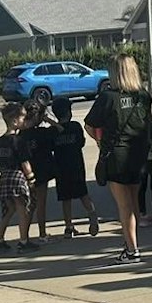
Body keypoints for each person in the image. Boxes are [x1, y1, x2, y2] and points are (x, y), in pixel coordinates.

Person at [85, 52, 152, 265]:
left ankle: (132, 250)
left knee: (123, 206)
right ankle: (131, 244)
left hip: (117, 153)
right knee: (133, 202)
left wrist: (100, 141)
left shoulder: (108, 97)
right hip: (139, 152)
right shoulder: (143, 95)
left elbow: (90, 124)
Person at [48, 97, 101, 238]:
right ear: (69, 112)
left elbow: (50, 147)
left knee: (66, 198)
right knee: (83, 193)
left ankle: (68, 226)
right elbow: (81, 143)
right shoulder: (75, 126)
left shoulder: (53, 131)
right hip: (76, 165)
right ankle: (92, 214)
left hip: (60, 167)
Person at [0, 103, 34, 250]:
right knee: (22, 209)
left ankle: (0, 238)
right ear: (15, 121)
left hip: (4, 176)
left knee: (9, 209)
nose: (25, 121)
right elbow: (25, 162)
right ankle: (23, 241)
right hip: (17, 176)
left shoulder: (0, 141)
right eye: (23, 118)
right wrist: (31, 179)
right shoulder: (18, 141)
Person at [22, 90, 59, 244]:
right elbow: (59, 129)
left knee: (30, 204)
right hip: (42, 171)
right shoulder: (43, 133)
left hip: (27, 172)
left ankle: (25, 235)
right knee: (40, 203)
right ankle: (42, 233)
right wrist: (48, 119)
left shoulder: (22, 135)